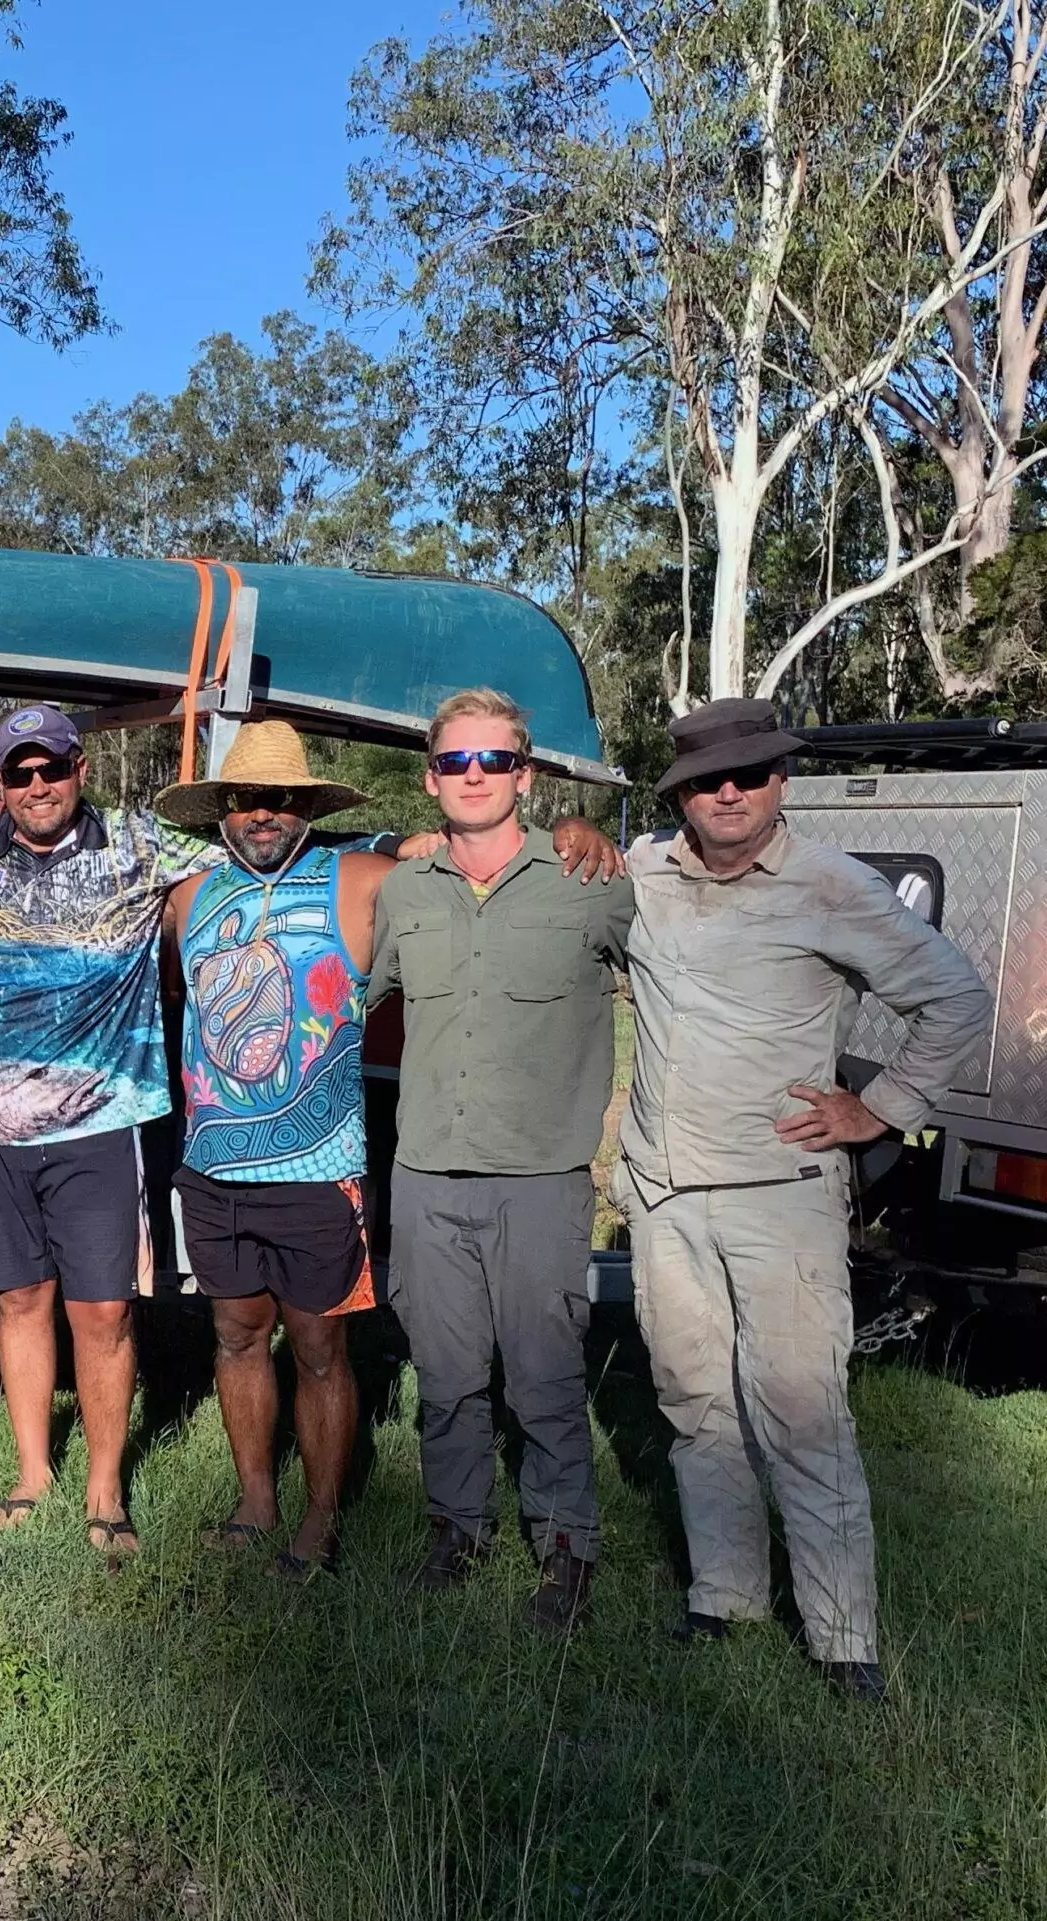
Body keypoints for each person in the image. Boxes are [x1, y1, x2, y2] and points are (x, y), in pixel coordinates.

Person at [621, 698, 991, 1699]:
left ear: (781, 778)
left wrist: (879, 1108)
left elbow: (952, 998)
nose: (728, 792)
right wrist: (575, 832)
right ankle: (723, 1595)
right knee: (693, 1401)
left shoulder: (832, 886)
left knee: (800, 1409)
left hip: (776, 1195)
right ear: (679, 795)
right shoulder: (643, 871)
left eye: (748, 773)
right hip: (661, 1192)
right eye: (705, 779)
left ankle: (841, 1640)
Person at [0, 705, 224, 1555]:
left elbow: (256, 849)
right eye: (18, 772)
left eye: (49, 768)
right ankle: (32, 1474)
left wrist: (399, 847)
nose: (36, 786)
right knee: (20, 1300)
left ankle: (105, 1488)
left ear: (79, 769)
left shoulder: (139, 844)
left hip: (103, 1122)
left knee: (104, 1313)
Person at [368, 689, 631, 1633]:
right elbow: (343, 998)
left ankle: (566, 1548)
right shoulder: (403, 890)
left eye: (493, 762)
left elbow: (676, 986)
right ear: (431, 775)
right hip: (428, 1171)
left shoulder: (591, 881)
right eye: (454, 762)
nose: (473, 777)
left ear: (526, 773)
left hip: (540, 1176)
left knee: (545, 1377)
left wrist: (588, 825)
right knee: (443, 1375)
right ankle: (457, 1529)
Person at [156, 723, 388, 1579]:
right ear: (222, 810)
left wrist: (578, 836)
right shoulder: (188, 899)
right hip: (214, 1170)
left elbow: (472, 868)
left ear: (309, 808)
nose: (264, 814)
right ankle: (257, 1499)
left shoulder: (359, 881)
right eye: (248, 799)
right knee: (234, 1334)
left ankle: (322, 1518)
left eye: (283, 799)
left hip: (318, 1171)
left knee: (321, 1348)